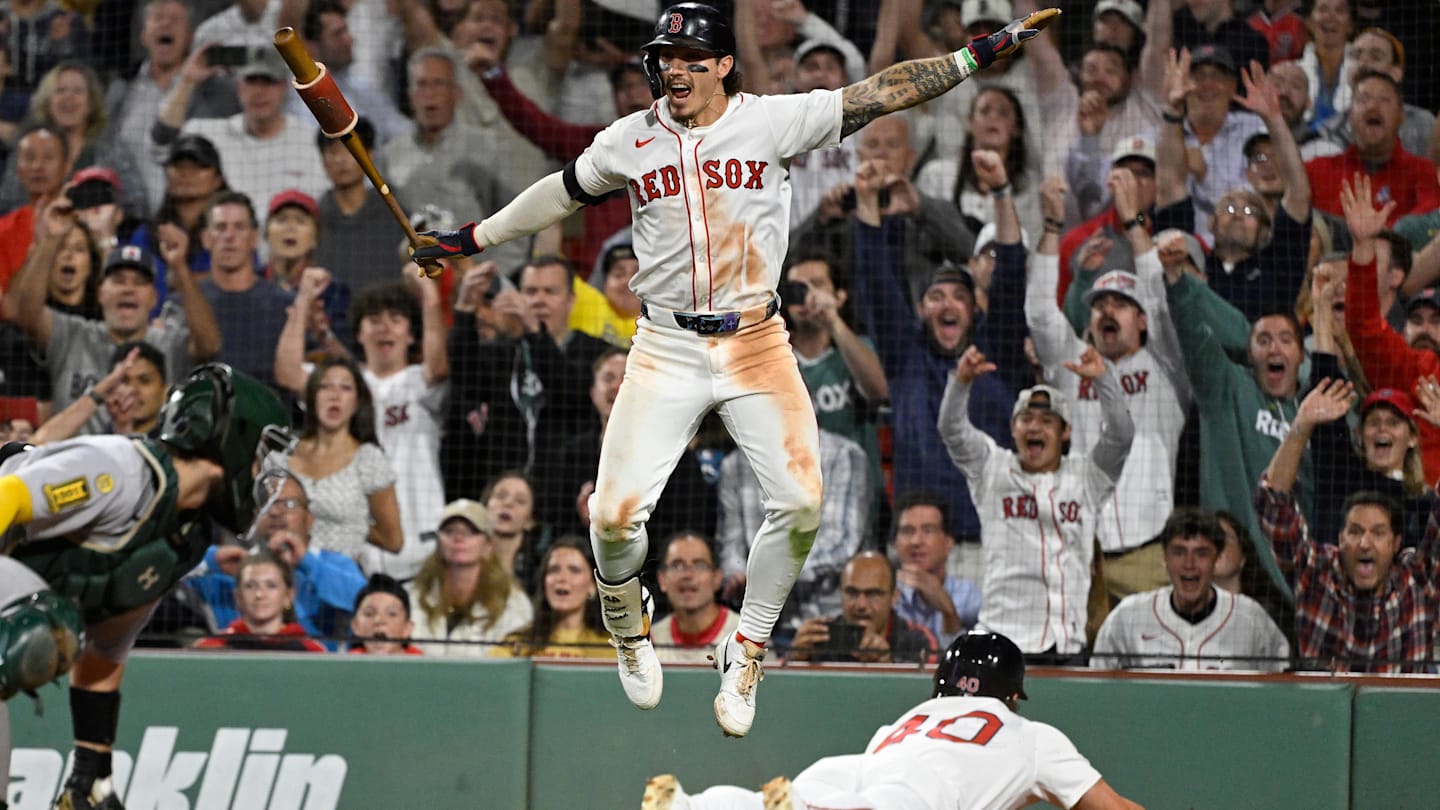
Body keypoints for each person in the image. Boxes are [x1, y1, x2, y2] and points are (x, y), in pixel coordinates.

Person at [411, 0, 1059, 736]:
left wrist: (977, 54)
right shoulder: (632, 137)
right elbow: (558, 193)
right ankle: (628, 621)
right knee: (613, 521)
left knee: (803, 503)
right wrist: (471, 239)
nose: (674, 72)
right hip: (664, 347)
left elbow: (884, 90)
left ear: (723, 64)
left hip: (756, 339)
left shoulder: (772, 119)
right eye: (665, 60)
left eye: (691, 60)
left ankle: (745, 647)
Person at [0, 363, 287, 809]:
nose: (264, 473)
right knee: (40, 624)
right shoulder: (122, 470)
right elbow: (9, 496)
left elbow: (104, 653)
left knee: (58, 627)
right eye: (262, 453)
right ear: (231, 437)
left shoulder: (181, 542)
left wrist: (91, 773)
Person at [642, 631, 1144, 810]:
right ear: (1013, 694)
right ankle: (802, 807)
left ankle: (692, 804)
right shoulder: (1031, 736)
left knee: (770, 801)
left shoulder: (915, 715)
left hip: (865, 763)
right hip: (919, 793)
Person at [940, 345, 1135, 658]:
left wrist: (1104, 381)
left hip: (1066, 643)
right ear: (1013, 429)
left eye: (1047, 420)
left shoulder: (1087, 477)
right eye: (1026, 419)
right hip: (999, 641)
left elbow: (1121, 436)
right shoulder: (991, 469)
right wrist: (960, 383)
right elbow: (952, 430)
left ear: (1065, 432)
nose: (1034, 427)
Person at [4, 198, 220, 434]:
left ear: (154, 298)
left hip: (147, 463)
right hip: (74, 465)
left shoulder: (168, 341)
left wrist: (179, 267)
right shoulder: (73, 334)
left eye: (139, 282)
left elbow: (209, 345)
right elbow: (26, 314)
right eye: (118, 281)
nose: (128, 289)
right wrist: (51, 240)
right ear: (100, 294)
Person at [1091, 507, 1289, 671]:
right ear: (1164, 558)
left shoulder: (1250, 618)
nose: (1189, 564)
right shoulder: (1129, 616)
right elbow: (1097, 686)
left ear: (1216, 559)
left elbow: (1282, 682)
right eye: (1179, 552)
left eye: (1201, 553)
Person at [187, 469, 367, 648]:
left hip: (314, 667)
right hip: (236, 665)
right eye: (265, 504)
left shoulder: (333, 563)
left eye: (288, 504)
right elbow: (165, 578)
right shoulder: (231, 567)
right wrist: (210, 560)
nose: (275, 512)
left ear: (309, 519)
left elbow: (365, 603)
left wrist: (306, 562)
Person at [271, 357, 404, 564]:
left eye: (345, 388)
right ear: (312, 398)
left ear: (357, 402)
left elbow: (393, 541)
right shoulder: (281, 456)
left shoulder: (369, 460)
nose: (335, 395)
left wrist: (354, 527)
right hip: (284, 579)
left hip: (340, 583)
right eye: (325, 386)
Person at [405, 498, 532, 657]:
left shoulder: (514, 603)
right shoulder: (411, 596)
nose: (458, 538)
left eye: (470, 531)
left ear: (488, 546)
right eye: (450, 530)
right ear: (438, 542)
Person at [787, 551, 937, 665]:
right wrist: (794, 659)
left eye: (873, 594)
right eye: (852, 593)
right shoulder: (820, 636)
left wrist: (888, 667)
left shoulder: (918, 641)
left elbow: (929, 696)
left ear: (894, 597)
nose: (861, 605)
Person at [493, 537, 613, 659]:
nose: (561, 578)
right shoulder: (516, 646)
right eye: (553, 570)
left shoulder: (612, 648)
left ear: (592, 586)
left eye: (574, 570)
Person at [890, 492, 982, 649]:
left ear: (949, 543)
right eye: (907, 531)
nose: (916, 541)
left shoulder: (969, 597)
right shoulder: (885, 594)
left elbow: (970, 662)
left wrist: (948, 611)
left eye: (928, 531)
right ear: (895, 543)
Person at [193, 552, 328, 652]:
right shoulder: (211, 648)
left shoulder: (311, 651)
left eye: (271, 586)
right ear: (238, 596)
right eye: (250, 586)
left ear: (288, 596)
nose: (259, 594)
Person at [651, 531, 740, 663]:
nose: (688, 574)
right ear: (662, 579)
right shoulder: (650, 642)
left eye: (699, 565)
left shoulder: (745, 636)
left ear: (717, 578)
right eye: (678, 565)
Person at [349, 573, 423, 655]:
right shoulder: (343, 665)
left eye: (391, 614)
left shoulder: (426, 665)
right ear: (355, 626)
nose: (378, 620)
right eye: (369, 614)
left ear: (407, 628)